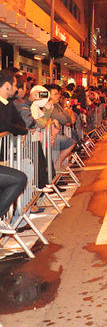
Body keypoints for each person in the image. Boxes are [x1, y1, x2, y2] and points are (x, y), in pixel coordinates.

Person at [0, 70, 29, 234]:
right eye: (15, 85)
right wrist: (14, 129)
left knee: (17, 179)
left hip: (4, 156)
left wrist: (16, 129)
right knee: (18, 179)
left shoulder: (9, 104)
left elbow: (22, 125)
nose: (17, 89)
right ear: (7, 85)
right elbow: (4, 126)